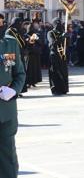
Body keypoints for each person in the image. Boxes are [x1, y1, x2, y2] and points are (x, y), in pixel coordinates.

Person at [0, 26, 26, 178]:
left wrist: (14, 90)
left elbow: (19, 73)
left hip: (6, 109)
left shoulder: (10, 43)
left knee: (8, 156)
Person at [47, 19, 69, 95]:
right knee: (55, 72)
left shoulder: (62, 32)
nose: (59, 25)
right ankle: (55, 89)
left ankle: (63, 88)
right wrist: (61, 37)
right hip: (54, 55)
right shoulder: (50, 33)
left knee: (63, 72)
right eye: (57, 23)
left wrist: (67, 37)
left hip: (62, 55)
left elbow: (67, 44)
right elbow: (52, 43)